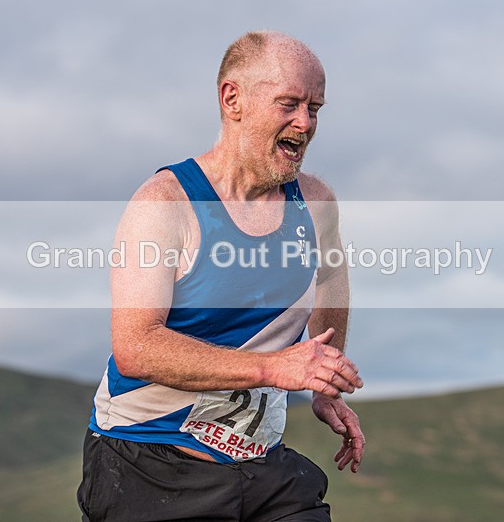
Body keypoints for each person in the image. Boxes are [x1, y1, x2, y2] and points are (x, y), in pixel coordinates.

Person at [77, 30, 365, 522]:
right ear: (233, 98)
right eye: (289, 104)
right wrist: (276, 369)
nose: (305, 123)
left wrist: (322, 383)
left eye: (315, 108)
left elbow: (329, 285)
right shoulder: (165, 204)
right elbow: (135, 346)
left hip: (259, 468)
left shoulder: (315, 204)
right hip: (149, 461)